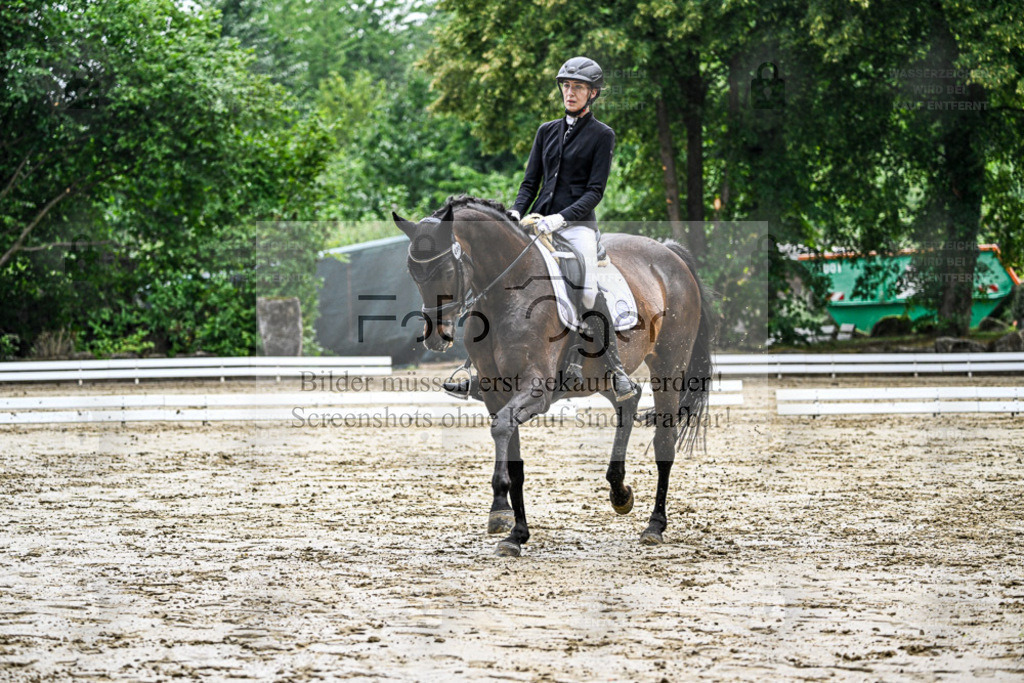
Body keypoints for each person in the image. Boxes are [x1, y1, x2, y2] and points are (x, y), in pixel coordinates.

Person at [508, 56, 637, 401]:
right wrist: (516, 211)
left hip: (576, 226)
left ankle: (615, 370)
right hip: (537, 222)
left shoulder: (602, 135)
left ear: (592, 93)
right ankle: (478, 366)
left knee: (588, 290)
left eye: (578, 87)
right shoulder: (546, 131)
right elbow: (530, 182)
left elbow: (595, 191)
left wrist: (561, 218)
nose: (570, 92)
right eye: (566, 85)